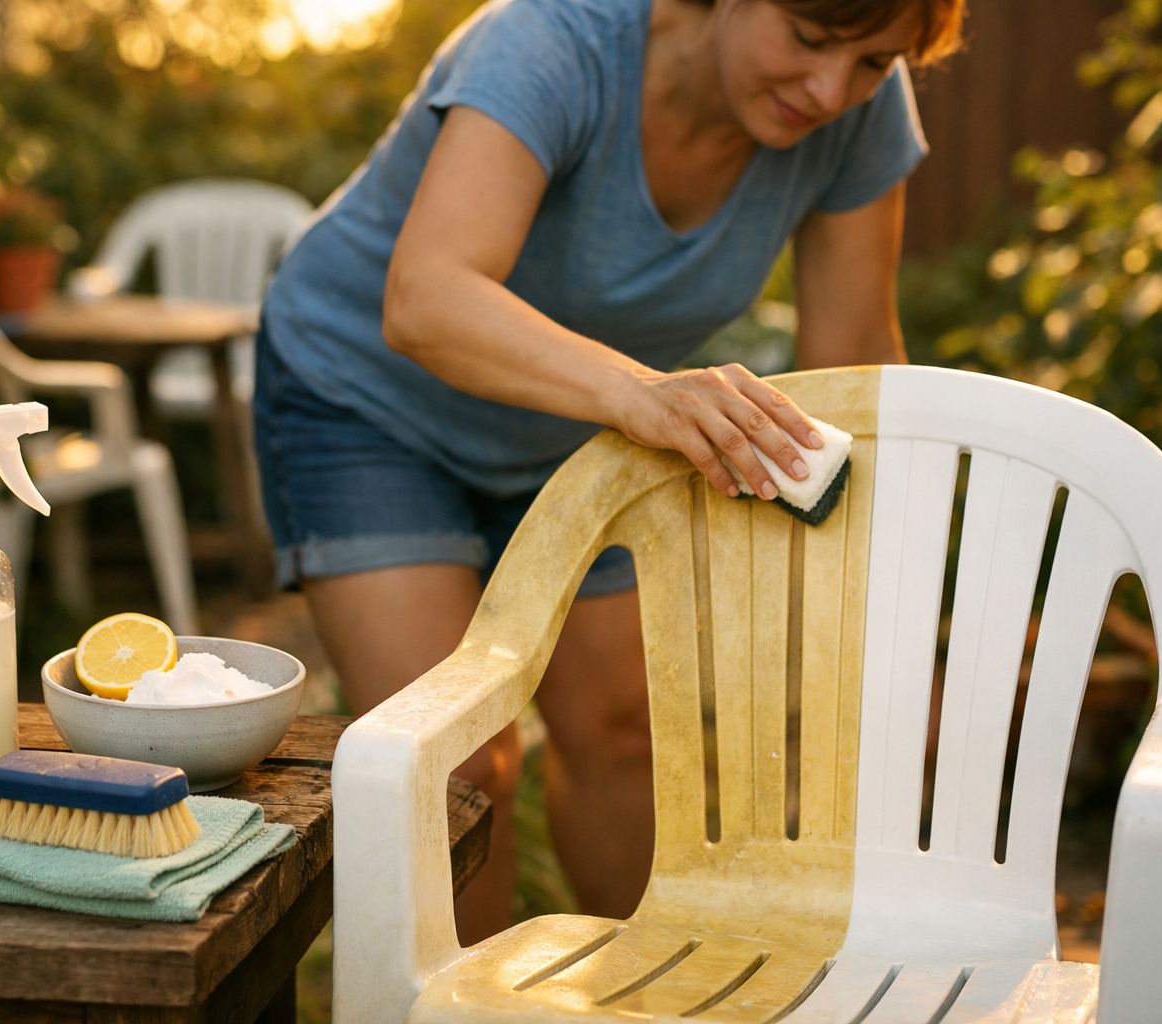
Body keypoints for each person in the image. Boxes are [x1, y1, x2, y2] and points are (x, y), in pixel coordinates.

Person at [253, 0, 966, 944]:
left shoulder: (861, 113)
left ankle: (647, 997)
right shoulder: (550, 43)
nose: (832, 90)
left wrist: (899, 611)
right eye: (809, 40)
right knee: (457, 762)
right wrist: (643, 394)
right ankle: (448, 1011)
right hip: (370, 406)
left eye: (874, 63)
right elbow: (427, 298)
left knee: (627, 730)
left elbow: (855, 358)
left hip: (582, 424)